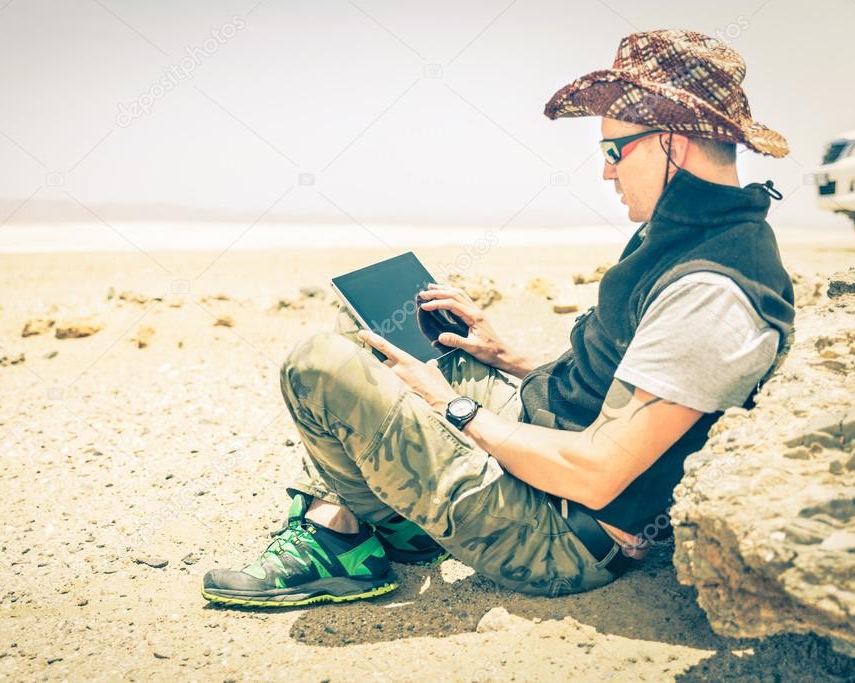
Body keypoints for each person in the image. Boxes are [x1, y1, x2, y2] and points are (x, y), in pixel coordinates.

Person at [201, 29, 796, 607]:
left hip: (564, 535)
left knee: (319, 365)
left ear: (674, 142)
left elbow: (598, 473)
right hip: (546, 445)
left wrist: (452, 406)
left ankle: (344, 544)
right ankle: (389, 528)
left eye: (614, 151)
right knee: (375, 321)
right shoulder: (680, 236)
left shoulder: (712, 290)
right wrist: (501, 354)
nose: (606, 172)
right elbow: (624, 381)